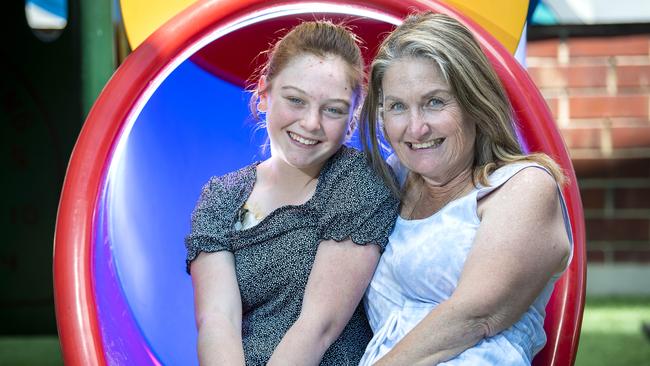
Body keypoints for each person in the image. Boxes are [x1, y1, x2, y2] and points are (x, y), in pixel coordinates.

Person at [358, 12, 573, 365]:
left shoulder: (523, 185)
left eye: (435, 102)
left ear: (474, 103)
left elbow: (474, 316)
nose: (416, 128)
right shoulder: (385, 183)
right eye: (397, 106)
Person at [184, 20, 399, 366]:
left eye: (333, 110)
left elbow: (318, 327)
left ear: (352, 118)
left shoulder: (360, 180)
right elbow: (217, 320)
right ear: (264, 95)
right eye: (296, 100)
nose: (311, 123)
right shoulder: (221, 197)